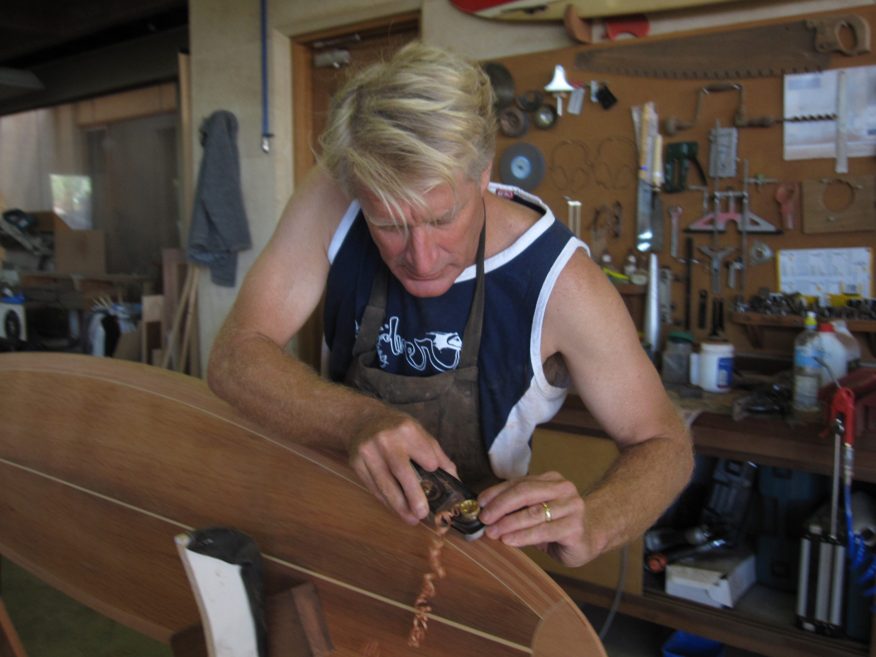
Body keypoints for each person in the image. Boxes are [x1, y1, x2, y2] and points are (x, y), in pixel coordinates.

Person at [207, 42, 692, 568]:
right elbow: (234, 356)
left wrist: (597, 521)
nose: (420, 258)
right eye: (389, 225)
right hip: (332, 533)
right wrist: (357, 422)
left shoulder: (559, 281)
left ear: (483, 174)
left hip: (472, 571)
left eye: (441, 220)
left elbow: (665, 442)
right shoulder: (335, 199)